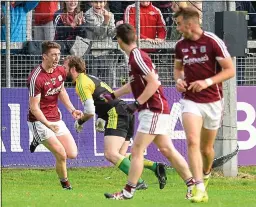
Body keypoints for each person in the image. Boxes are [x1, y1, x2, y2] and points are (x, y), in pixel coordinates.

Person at [104, 23, 194, 200]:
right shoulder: (135, 57)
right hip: (154, 109)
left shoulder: (137, 56)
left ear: (119, 41)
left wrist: (137, 103)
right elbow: (134, 84)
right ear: (135, 37)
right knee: (167, 149)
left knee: (137, 151)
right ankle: (193, 185)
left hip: (153, 109)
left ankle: (128, 192)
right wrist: (114, 94)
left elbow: (154, 83)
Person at [63, 55, 168, 190]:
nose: (63, 70)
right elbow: (105, 98)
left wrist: (80, 122)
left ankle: (137, 181)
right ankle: (155, 167)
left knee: (110, 154)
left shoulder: (81, 84)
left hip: (116, 113)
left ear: (72, 69)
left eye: (65, 67)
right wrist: (102, 116)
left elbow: (89, 111)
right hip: (124, 112)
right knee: (120, 155)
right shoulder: (91, 78)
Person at [173, 7, 235, 202]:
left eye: (179, 24)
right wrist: (179, 81)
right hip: (191, 100)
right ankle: (198, 186)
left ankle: (206, 173)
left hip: (213, 101)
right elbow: (177, 70)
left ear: (189, 24)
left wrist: (207, 82)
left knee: (206, 149)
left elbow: (230, 70)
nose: (177, 28)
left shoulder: (212, 41)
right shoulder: (180, 45)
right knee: (192, 141)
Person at [27, 41, 82, 190]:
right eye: (53, 55)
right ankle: (65, 184)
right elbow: (34, 108)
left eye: (58, 54)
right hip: (39, 121)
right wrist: (47, 124)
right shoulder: (36, 78)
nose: (57, 58)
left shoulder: (60, 71)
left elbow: (61, 91)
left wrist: (72, 110)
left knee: (72, 153)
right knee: (61, 154)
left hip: (55, 118)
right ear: (44, 56)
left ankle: (38, 138)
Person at [84, 1, 117, 86]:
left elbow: (111, 34)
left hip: (107, 52)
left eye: (101, 2)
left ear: (105, 2)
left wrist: (117, 28)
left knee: (108, 83)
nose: (98, 5)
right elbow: (100, 33)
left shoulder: (110, 15)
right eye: (95, 2)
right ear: (91, 3)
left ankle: (108, 98)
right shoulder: (88, 14)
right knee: (92, 83)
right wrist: (106, 21)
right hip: (93, 53)